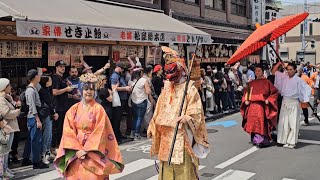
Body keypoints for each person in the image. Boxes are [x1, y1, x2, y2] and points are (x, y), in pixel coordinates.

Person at [147, 47, 209, 179]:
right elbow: (158, 109)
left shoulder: (190, 90)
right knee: (167, 168)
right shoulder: (166, 89)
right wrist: (153, 125)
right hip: (166, 137)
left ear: (181, 70)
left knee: (183, 170)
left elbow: (196, 111)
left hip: (182, 135)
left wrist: (188, 117)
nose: (171, 78)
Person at [54, 74, 124, 179]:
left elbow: (101, 131)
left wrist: (86, 150)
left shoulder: (99, 109)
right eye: (86, 89)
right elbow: (68, 132)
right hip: (76, 152)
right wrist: (77, 150)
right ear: (81, 90)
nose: (89, 92)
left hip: (94, 152)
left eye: (92, 89)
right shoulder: (73, 109)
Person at [272, 62, 311, 149]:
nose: (289, 71)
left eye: (291, 69)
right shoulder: (284, 77)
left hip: (293, 102)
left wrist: (304, 99)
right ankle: (283, 140)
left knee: (293, 123)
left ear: (295, 70)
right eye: (288, 69)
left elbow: (306, 89)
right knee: (283, 122)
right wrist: (279, 63)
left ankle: (292, 142)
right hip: (285, 102)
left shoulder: (298, 80)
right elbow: (274, 72)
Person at [240, 65, 278, 148]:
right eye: (256, 71)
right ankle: (254, 139)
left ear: (262, 71)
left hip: (261, 106)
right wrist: (245, 100)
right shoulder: (251, 83)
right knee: (252, 123)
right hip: (251, 106)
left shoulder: (267, 82)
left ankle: (262, 140)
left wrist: (269, 99)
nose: (257, 72)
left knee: (261, 123)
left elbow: (274, 92)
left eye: (259, 71)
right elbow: (246, 94)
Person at [25, 69, 49, 169]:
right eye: (38, 75)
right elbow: (32, 107)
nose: (40, 77)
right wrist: (38, 120)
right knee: (36, 140)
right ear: (35, 77)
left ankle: (30, 159)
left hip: (33, 117)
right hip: (33, 118)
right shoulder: (30, 90)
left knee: (33, 140)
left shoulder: (33, 88)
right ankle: (36, 162)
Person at [51, 60, 74, 154]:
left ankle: (62, 145)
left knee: (63, 127)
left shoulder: (63, 78)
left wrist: (71, 93)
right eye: (60, 66)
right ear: (56, 67)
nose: (63, 68)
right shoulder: (55, 77)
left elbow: (64, 94)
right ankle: (55, 147)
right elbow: (54, 92)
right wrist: (66, 89)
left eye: (64, 66)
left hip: (64, 106)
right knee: (57, 128)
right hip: (58, 107)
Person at [0, 78, 21, 176]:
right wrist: (17, 111)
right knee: (4, 151)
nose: (10, 87)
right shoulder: (1, 99)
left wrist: (16, 106)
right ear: (4, 87)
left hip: (10, 126)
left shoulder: (7, 98)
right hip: (6, 127)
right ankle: (3, 170)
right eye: (8, 86)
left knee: (7, 150)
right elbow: (6, 113)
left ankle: (6, 168)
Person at [39, 76, 59, 164]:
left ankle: (48, 152)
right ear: (46, 82)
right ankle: (43, 155)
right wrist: (54, 112)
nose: (51, 81)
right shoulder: (43, 91)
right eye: (50, 80)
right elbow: (48, 104)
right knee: (46, 135)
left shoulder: (48, 90)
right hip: (46, 114)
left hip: (50, 114)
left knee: (49, 135)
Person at [110, 62, 132, 143]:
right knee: (117, 119)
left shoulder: (118, 75)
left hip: (122, 98)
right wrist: (125, 88)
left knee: (119, 118)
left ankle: (118, 135)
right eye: (122, 68)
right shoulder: (115, 76)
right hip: (118, 99)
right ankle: (116, 137)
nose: (122, 70)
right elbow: (114, 88)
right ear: (118, 67)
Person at [0, 115, 14, 179]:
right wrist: (7, 134)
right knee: (1, 165)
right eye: (2, 121)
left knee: (2, 164)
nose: (4, 122)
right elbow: (4, 140)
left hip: (2, 151)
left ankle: (3, 175)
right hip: (1, 151)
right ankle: (2, 176)